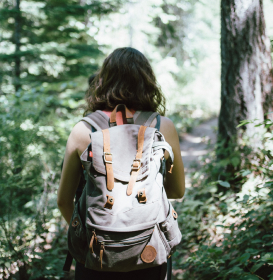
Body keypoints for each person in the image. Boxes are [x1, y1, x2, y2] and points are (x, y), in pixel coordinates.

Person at [57, 47, 185, 280]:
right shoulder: (162, 126)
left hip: (96, 255)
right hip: (149, 251)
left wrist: (92, 233)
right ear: (147, 82)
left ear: (103, 81)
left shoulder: (83, 130)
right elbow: (177, 191)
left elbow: (63, 201)